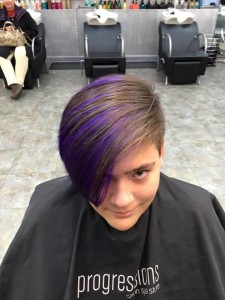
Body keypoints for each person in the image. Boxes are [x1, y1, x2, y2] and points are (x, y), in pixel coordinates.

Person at [0, 75, 224, 299]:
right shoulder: (45, 214)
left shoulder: (199, 212)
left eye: (139, 173)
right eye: (100, 177)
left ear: (161, 153)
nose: (122, 200)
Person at [0, 0, 38, 100]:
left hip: (22, 43)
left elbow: (34, 31)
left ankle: (19, 84)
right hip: (6, 44)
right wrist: (5, 31)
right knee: (1, 57)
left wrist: (18, 31)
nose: (8, 1)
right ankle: (14, 85)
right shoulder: (0, 15)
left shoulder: (24, 14)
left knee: (20, 53)